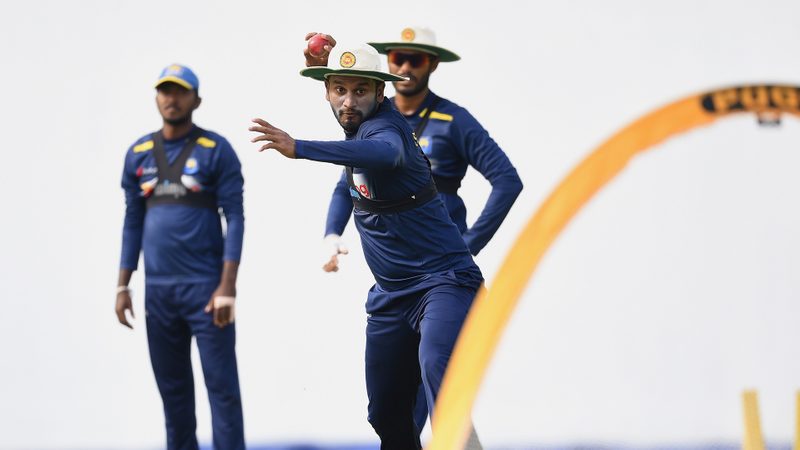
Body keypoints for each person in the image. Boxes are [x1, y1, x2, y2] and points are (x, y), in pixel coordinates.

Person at [249, 41, 483, 449]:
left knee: (437, 369)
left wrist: (299, 147)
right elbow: (348, 183)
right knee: (386, 415)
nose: (348, 101)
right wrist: (331, 235)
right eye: (339, 90)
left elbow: (384, 153)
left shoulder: (385, 131)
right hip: (391, 295)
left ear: (380, 92)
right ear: (326, 91)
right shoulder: (355, 130)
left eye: (361, 91)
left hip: (445, 283)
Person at [115, 64, 246, 450]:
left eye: (180, 91)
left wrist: (227, 286)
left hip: (206, 290)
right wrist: (123, 285)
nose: (171, 99)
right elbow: (132, 221)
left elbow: (235, 217)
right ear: (157, 97)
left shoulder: (215, 149)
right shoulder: (138, 153)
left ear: (196, 100)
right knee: (173, 395)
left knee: (222, 389)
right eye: (165, 91)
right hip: (159, 292)